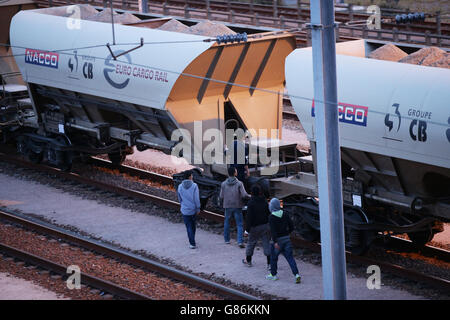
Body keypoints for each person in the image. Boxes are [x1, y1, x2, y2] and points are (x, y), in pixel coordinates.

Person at [266, 198, 301, 283]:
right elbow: (291, 226)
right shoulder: (285, 214)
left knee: (273, 258)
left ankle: (273, 275)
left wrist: (275, 242)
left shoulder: (271, 217)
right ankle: (296, 275)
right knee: (290, 258)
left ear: (272, 206)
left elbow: (273, 231)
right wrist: (287, 233)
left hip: (278, 241)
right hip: (286, 239)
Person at [242, 184, 271, 269]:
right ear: (260, 192)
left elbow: (249, 218)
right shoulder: (265, 201)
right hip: (265, 226)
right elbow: (268, 213)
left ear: (252, 193)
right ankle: (269, 263)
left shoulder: (251, 203)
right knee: (266, 243)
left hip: (254, 227)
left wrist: (247, 230)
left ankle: (248, 261)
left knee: (251, 243)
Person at [220, 166, 250, 248]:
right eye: (236, 171)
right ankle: (240, 241)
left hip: (227, 206)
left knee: (227, 222)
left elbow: (221, 196)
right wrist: (250, 196)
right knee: (239, 224)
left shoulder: (223, 184)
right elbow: (244, 195)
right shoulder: (239, 183)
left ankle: (227, 240)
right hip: (237, 206)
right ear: (235, 173)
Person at [177, 170, 201, 249]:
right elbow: (196, 199)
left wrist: (182, 205)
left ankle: (192, 242)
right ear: (190, 177)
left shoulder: (180, 186)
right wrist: (198, 208)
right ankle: (192, 242)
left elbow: (179, 198)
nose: (192, 176)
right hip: (193, 210)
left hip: (185, 210)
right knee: (193, 226)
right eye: (192, 175)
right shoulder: (194, 186)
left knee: (188, 227)